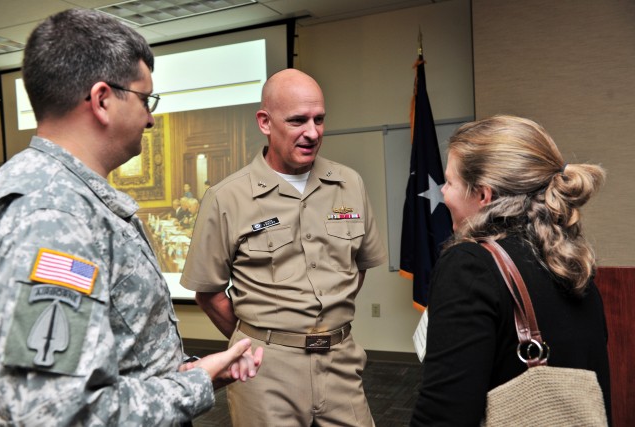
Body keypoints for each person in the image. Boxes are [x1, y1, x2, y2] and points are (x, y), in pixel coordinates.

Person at [0, 9, 262, 425]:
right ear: (103, 100)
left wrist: (191, 371)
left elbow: (114, 352)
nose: (151, 118)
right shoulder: (56, 215)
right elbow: (56, 414)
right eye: (144, 99)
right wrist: (193, 386)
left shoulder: (67, 196)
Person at [181, 68, 387, 426]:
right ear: (265, 121)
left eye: (319, 119)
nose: (312, 132)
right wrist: (260, 340)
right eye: (297, 121)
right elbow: (208, 292)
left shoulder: (348, 183)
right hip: (265, 371)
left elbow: (359, 267)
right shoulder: (227, 197)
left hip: (340, 361)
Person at [409, 115, 611, 425]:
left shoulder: (470, 266)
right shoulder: (574, 263)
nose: (443, 194)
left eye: (449, 182)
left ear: (483, 195)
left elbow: (443, 415)